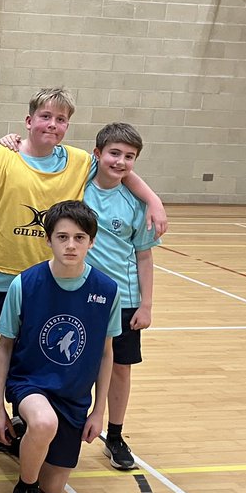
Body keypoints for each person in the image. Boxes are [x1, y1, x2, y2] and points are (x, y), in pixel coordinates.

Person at [0, 87, 164, 373]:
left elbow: (118, 166)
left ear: (67, 125)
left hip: (42, 278)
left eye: (60, 119)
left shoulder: (78, 162)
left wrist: (153, 199)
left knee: (29, 351)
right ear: (29, 120)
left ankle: (20, 413)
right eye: (45, 116)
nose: (52, 125)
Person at [0, 200, 121, 493]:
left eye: (79, 237)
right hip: (29, 383)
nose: (70, 245)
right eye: (62, 237)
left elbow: (107, 355)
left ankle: (25, 435)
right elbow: (4, 348)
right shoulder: (25, 284)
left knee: (54, 487)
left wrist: (98, 411)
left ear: (92, 241)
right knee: (44, 424)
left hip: (73, 396)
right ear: (48, 239)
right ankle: (23, 490)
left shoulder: (106, 291)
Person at [83, 122, 158, 470]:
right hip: (79, 294)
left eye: (129, 157)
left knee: (121, 370)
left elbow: (144, 255)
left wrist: (146, 304)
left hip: (123, 299)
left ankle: (114, 434)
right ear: (97, 154)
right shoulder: (78, 184)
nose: (121, 162)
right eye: (114, 153)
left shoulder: (135, 203)